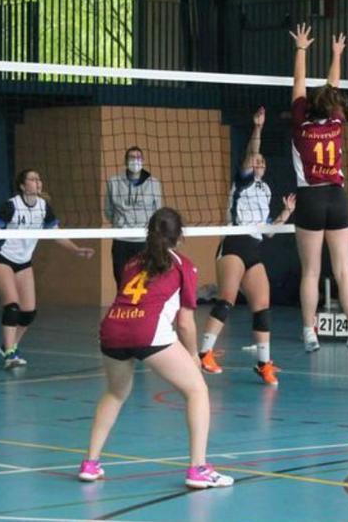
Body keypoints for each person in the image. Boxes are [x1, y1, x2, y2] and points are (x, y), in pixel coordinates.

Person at [78, 208, 235, 489]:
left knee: (115, 393)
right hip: (148, 331)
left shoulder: (131, 262)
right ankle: (198, 468)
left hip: (112, 328)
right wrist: (193, 356)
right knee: (197, 389)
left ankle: (90, 463)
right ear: (180, 236)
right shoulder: (183, 266)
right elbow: (185, 322)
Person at [198, 107, 295, 385]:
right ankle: (204, 352)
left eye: (263, 161)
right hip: (233, 243)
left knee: (262, 304)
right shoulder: (242, 182)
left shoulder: (265, 191)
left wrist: (285, 214)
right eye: (256, 160)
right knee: (227, 298)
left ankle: (264, 363)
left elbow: (268, 233)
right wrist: (258, 129)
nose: (259, 163)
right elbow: (252, 154)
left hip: (254, 247)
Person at [288, 23, 348, 358]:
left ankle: (309, 332)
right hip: (337, 198)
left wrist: (302, 49)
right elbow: (331, 87)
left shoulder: (300, 125)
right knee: (343, 270)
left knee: (312, 271)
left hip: (310, 198)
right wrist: (337, 54)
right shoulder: (336, 125)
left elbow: (299, 85)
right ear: (333, 109)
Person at [0, 169, 95, 369]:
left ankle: (10, 345)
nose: (38, 182)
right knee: (12, 306)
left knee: (28, 312)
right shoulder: (11, 206)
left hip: (23, 261)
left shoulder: (44, 207)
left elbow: (56, 234)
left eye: (39, 179)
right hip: (0, 257)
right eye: (33, 179)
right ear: (23, 186)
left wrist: (76, 250)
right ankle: (9, 354)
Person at [105, 146, 163, 285]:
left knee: (145, 281)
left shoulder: (153, 183)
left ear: (142, 161)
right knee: (121, 279)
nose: (135, 161)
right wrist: (120, 223)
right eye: (132, 157)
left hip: (144, 239)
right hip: (121, 239)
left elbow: (158, 210)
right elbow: (108, 210)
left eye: (138, 157)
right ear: (126, 161)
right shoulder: (114, 182)